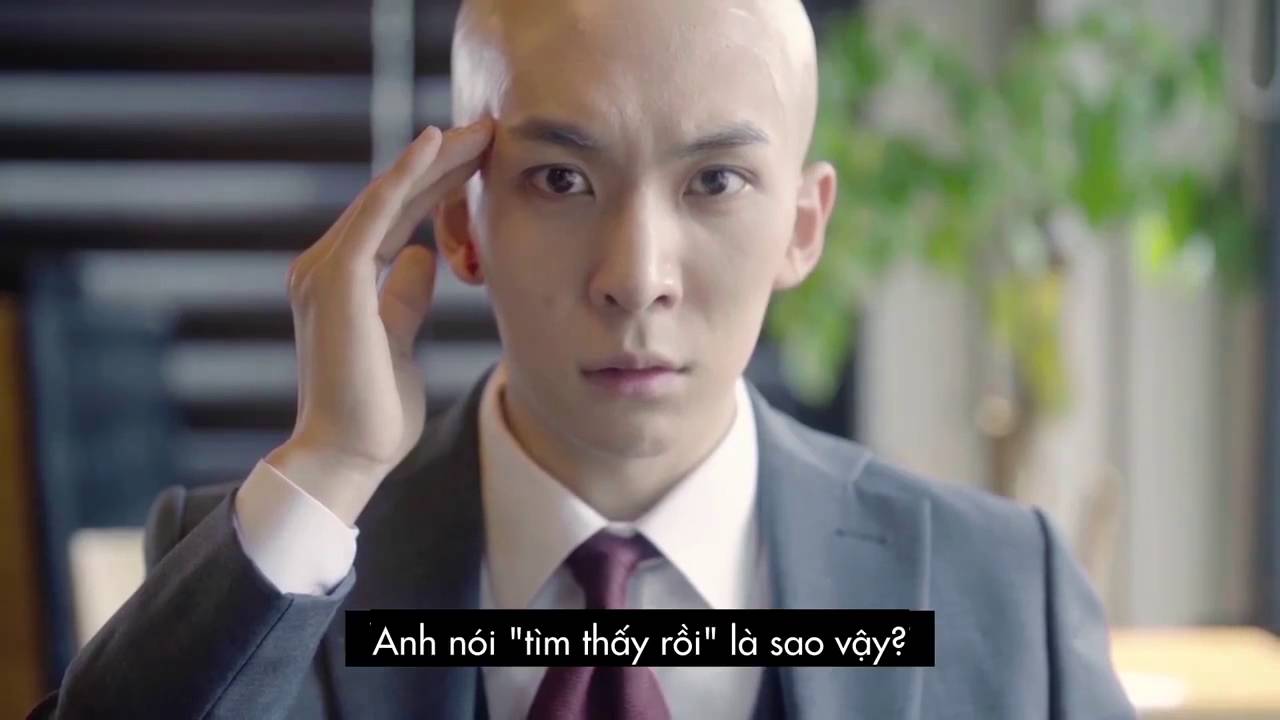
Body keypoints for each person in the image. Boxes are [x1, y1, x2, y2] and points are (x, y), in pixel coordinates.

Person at [30, 0, 1136, 718]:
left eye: (714, 182)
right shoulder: (270, 579)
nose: (636, 276)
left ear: (803, 227)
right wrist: (328, 468)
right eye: (561, 180)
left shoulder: (1003, 590)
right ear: (459, 222)